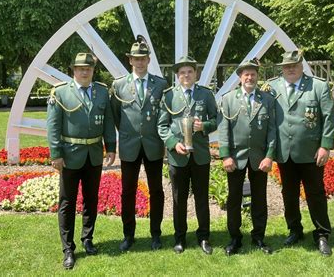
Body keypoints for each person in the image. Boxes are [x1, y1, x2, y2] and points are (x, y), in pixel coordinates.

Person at [47, 52, 116, 269]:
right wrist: (56, 154)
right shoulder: (60, 92)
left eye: (88, 68)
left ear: (93, 70)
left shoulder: (102, 92)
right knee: (67, 203)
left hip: (93, 155)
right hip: (69, 156)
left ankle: (88, 239)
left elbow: (108, 122)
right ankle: (68, 249)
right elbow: (53, 126)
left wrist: (111, 148)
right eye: (80, 68)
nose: (84, 71)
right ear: (73, 70)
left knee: (91, 199)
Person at [267, 50, 334, 256]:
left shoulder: (318, 86)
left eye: (294, 65)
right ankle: (294, 230)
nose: (290, 69)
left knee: (315, 194)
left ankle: (322, 234)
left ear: (301, 66)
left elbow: (329, 118)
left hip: (310, 152)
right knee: (289, 194)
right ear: (281, 68)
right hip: (284, 152)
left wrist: (325, 146)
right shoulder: (272, 87)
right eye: (286, 66)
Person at [110, 35, 168, 251]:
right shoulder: (119, 85)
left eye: (143, 58)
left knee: (157, 191)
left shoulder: (160, 84)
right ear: (130, 61)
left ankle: (156, 235)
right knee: (128, 192)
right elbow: (116, 115)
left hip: (153, 145)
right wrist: (126, 134)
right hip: (129, 146)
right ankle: (128, 235)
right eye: (136, 58)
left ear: (148, 60)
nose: (140, 62)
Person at [158, 56, 218, 255]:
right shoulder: (169, 96)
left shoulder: (206, 94)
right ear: (177, 75)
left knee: (201, 198)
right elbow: (162, 126)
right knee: (178, 199)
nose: (186, 75)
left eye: (189, 72)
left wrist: (205, 126)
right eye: (182, 72)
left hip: (200, 155)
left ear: (196, 74)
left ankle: (204, 237)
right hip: (178, 156)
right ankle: (180, 238)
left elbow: (216, 120)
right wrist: (174, 145)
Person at [218, 59, 276, 256]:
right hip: (236, 157)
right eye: (246, 74)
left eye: (253, 74)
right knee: (234, 199)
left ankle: (258, 237)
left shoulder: (267, 100)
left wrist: (269, 156)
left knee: (260, 198)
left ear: (257, 77)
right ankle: (235, 238)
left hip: (259, 158)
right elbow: (224, 130)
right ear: (240, 77)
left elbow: (272, 131)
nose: (249, 77)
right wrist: (225, 156)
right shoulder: (228, 99)